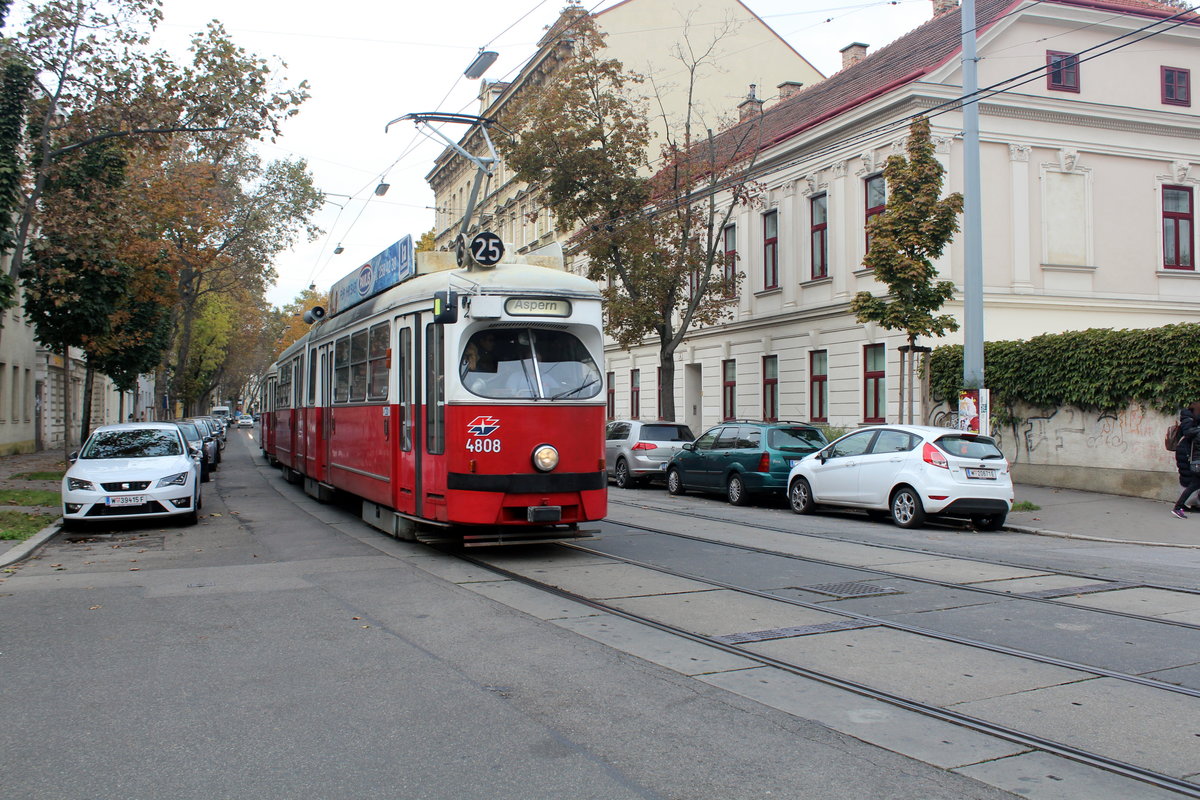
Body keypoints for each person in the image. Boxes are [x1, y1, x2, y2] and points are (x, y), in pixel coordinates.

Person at [1171, 401, 1200, 518]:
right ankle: (1178, 507)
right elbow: (1188, 433)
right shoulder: (1191, 424)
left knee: (1193, 485)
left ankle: (1179, 506)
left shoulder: (1195, 427)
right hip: (1193, 459)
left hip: (1194, 460)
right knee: (1192, 484)